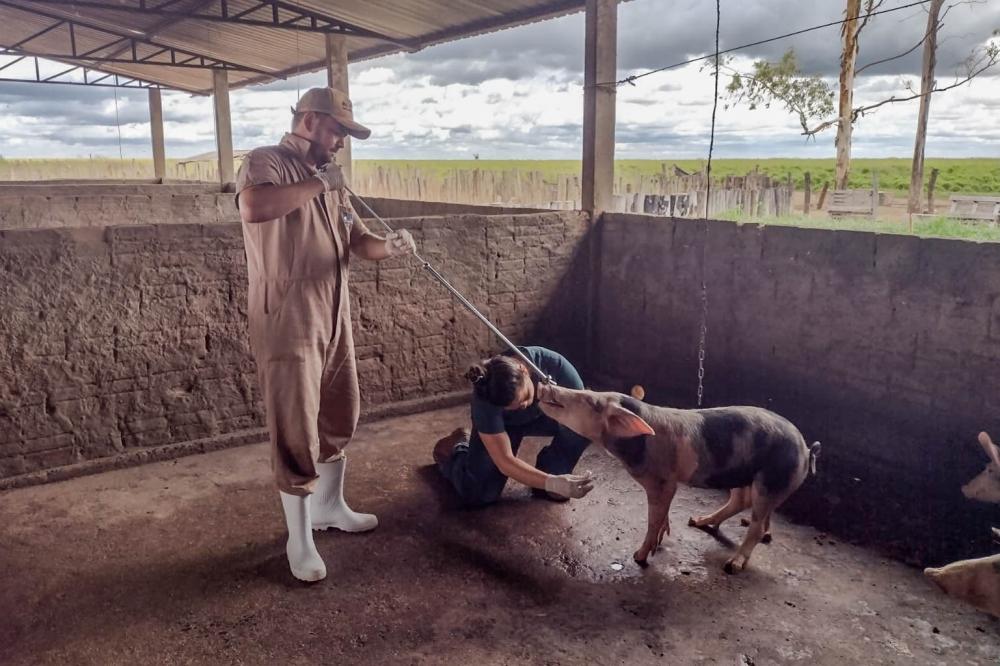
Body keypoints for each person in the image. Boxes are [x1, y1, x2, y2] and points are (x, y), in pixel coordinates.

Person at [236, 87, 417, 582]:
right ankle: (299, 539)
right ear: (311, 121)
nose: (341, 142)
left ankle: (329, 507)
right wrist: (318, 184)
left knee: (341, 409)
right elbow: (253, 208)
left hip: (333, 313)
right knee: (295, 424)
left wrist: (390, 246)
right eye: (338, 130)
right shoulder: (266, 162)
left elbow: (358, 241)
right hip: (287, 316)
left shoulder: (331, 178)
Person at [433, 346, 595, 506]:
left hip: (548, 417)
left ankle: (553, 466)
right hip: (506, 426)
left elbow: (584, 414)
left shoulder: (556, 367)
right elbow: (504, 460)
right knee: (480, 493)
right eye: (512, 406)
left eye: (524, 398)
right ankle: (457, 447)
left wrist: (554, 479)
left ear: (523, 370)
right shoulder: (486, 396)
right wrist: (552, 482)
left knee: (587, 421)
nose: (523, 406)